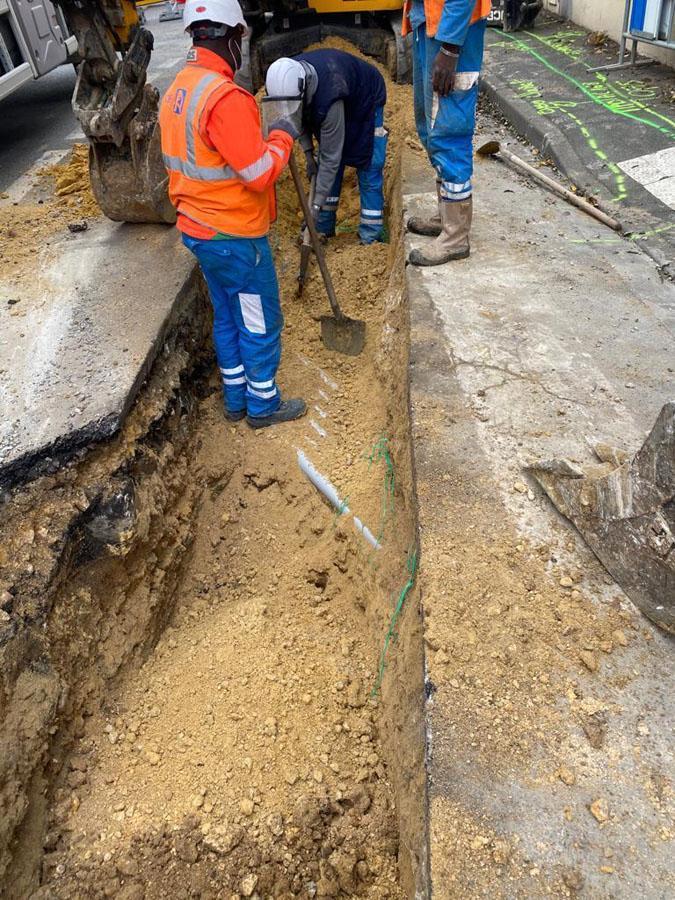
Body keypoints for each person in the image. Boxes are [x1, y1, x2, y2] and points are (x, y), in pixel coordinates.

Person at [159, 0, 306, 428]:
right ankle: (262, 405)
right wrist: (282, 137)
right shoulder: (225, 98)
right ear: (231, 37)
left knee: (227, 316)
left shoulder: (179, 89)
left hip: (199, 231)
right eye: (241, 38)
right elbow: (258, 174)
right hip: (234, 236)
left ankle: (236, 398)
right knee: (259, 320)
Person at [265, 49, 388, 245]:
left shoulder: (329, 96)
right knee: (326, 165)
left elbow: (331, 157)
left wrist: (314, 207)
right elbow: (297, 120)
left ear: (304, 89)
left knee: (368, 162)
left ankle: (370, 237)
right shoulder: (288, 77)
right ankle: (322, 228)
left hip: (365, 97)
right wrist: (308, 155)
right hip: (339, 91)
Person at [404, 0, 492, 265]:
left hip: (453, 31)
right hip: (429, 23)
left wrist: (450, 47)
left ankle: (456, 236)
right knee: (429, 126)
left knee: (449, 129)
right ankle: (446, 217)